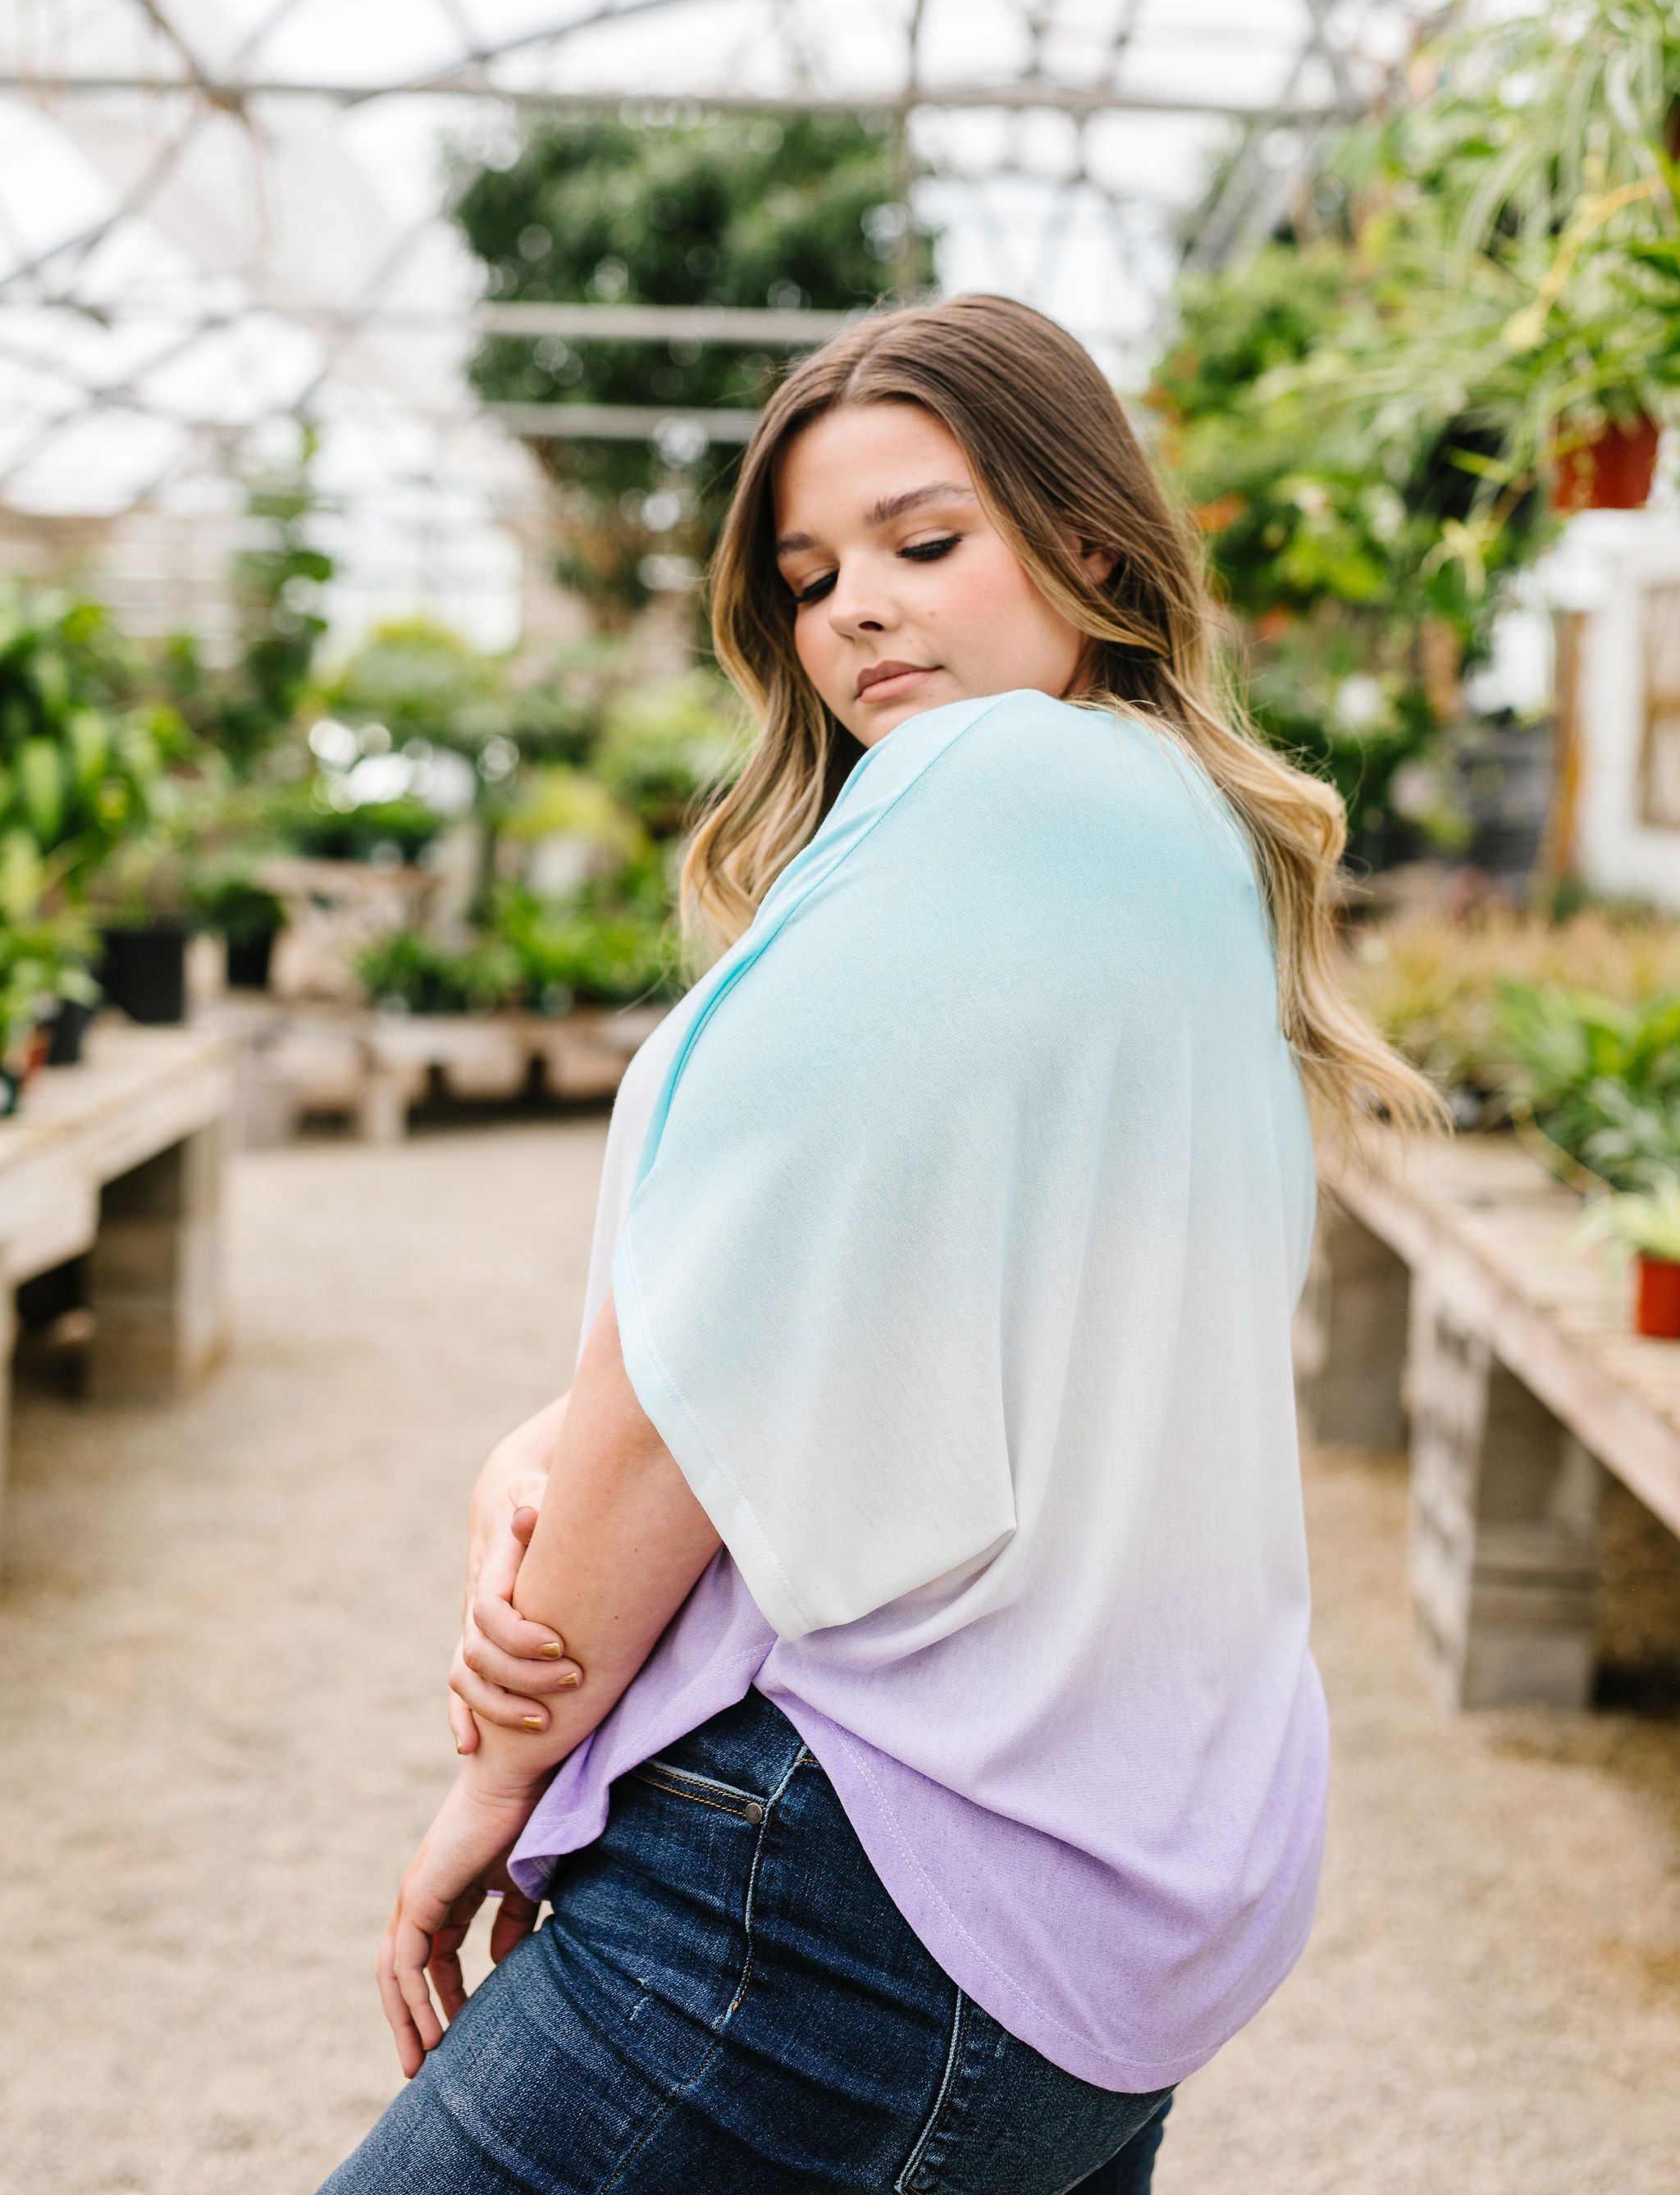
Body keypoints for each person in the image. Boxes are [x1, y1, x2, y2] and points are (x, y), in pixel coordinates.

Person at [322, 294, 1439, 2194]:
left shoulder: (992, 783)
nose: (855, 610)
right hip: (1110, 1900)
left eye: (925, 542)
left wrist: (504, 1771)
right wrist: (549, 1438)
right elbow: (884, 1318)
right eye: (810, 576)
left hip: (858, 1871)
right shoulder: (1178, 848)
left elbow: (706, 1364)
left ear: (1093, 544)